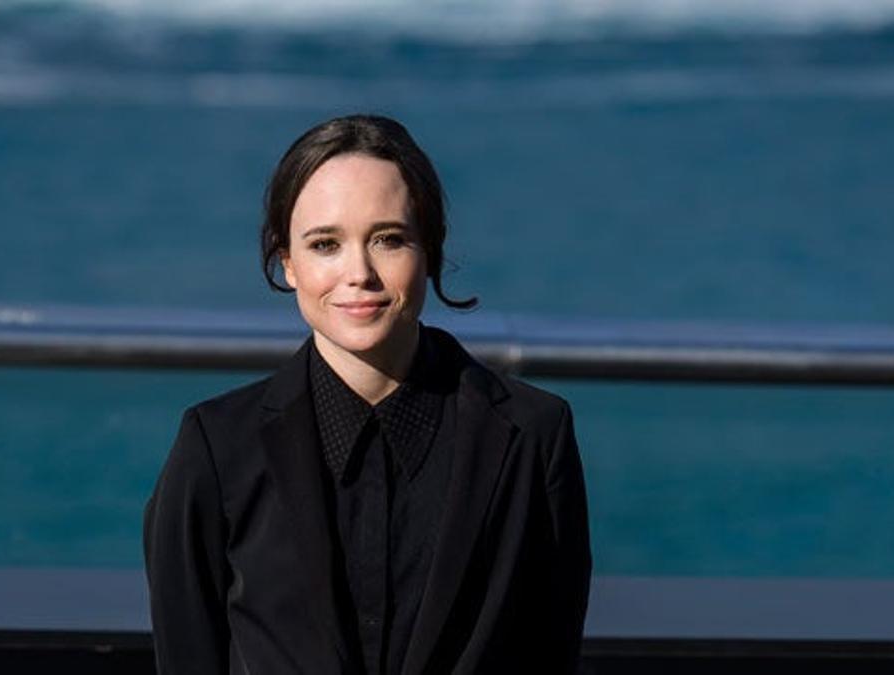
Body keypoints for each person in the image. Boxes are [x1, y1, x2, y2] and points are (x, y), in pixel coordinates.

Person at [144, 114, 591, 674]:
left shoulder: (533, 436)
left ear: (429, 249)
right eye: (325, 244)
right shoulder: (213, 449)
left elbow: (550, 654)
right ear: (288, 263)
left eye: (388, 239)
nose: (358, 272)